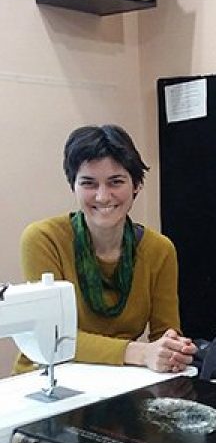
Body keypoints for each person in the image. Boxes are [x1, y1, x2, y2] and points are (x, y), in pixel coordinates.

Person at [14, 124, 197, 374]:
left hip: (118, 381)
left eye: (115, 182)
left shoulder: (159, 250)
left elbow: (165, 334)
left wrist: (173, 351)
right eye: (89, 183)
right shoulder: (43, 240)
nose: (102, 196)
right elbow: (52, 338)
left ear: (136, 185)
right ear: (73, 186)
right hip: (48, 376)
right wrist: (140, 352)